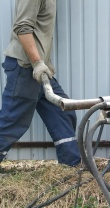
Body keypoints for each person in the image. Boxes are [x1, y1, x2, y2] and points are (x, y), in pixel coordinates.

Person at [0, 0, 81, 167]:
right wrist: (37, 62)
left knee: (62, 112)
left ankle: (70, 167)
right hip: (26, 67)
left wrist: (42, 64)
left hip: (39, 69)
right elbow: (22, 27)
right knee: (11, 122)